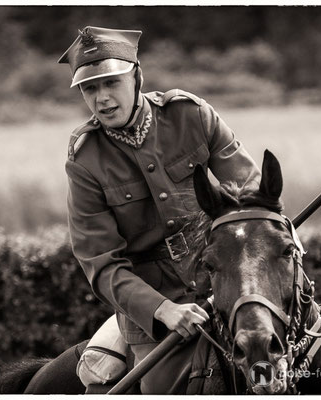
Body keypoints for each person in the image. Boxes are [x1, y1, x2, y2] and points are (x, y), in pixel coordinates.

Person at [59, 26, 261, 394]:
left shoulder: (192, 115)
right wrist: (162, 310)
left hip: (227, 285)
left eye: (111, 83)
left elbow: (250, 194)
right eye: (90, 88)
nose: (102, 98)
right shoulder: (85, 160)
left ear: (137, 75)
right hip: (155, 319)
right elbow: (100, 264)